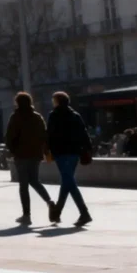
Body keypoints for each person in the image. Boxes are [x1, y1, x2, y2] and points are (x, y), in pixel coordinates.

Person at [46, 90, 93, 226]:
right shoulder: (75, 115)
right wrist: (88, 149)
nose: (52, 102)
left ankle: (84, 213)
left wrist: (48, 150)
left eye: (53, 100)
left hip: (60, 153)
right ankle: (57, 213)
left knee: (69, 182)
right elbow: (84, 133)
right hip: (74, 153)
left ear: (57, 101)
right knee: (67, 181)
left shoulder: (53, 115)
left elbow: (49, 134)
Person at [5, 91, 52, 224]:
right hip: (35, 154)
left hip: (21, 155)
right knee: (35, 180)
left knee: (23, 185)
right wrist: (43, 151)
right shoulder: (37, 117)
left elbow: (9, 136)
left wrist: (13, 150)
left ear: (17, 103)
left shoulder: (16, 117)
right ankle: (49, 202)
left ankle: (26, 215)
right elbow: (44, 135)